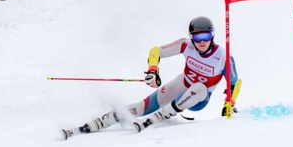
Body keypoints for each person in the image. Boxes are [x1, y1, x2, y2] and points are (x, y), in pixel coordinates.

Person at [62, 16, 240, 139]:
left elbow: (234, 83)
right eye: (197, 36)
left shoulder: (223, 57)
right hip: (182, 84)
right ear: (191, 37)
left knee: (200, 88)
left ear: (212, 35)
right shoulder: (186, 45)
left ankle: (161, 116)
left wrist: (229, 103)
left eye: (206, 36)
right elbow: (156, 51)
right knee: (142, 107)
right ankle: (100, 121)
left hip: (200, 99)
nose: (202, 41)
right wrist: (153, 70)